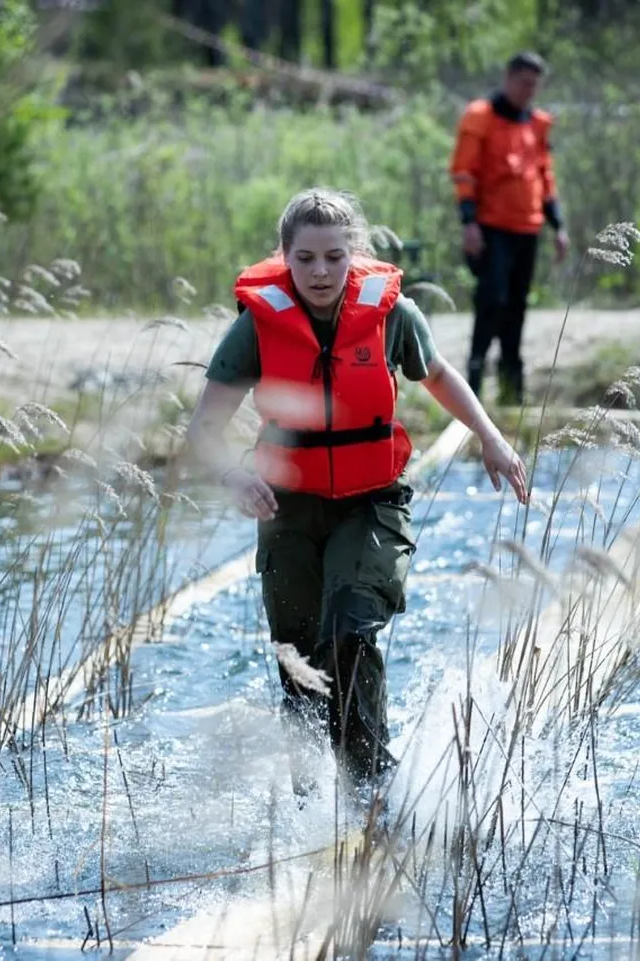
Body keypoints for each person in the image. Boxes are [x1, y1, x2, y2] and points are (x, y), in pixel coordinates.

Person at [185, 187, 530, 791]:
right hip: (287, 505)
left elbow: (440, 375)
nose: (320, 272)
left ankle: (367, 778)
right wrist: (233, 474)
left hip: (372, 501)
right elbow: (204, 430)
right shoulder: (258, 326)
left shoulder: (392, 314)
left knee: (349, 625)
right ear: (285, 257)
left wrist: (490, 436)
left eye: (334, 257)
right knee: (297, 654)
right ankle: (307, 796)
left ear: (355, 255)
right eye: (306, 259)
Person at [448, 51, 571, 406]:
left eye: (534, 85)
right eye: (523, 83)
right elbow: (464, 173)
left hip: (527, 228)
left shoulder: (538, 123)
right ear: (508, 77)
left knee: (516, 305)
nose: (528, 91)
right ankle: (472, 382)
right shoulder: (480, 117)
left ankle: (511, 389)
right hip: (490, 227)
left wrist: (558, 226)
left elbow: (545, 177)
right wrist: (469, 224)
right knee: (492, 301)